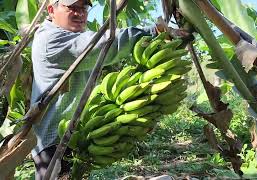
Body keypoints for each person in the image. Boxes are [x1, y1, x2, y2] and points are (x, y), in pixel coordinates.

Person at [31, 0, 192, 178]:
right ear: (51, 10)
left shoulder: (64, 35)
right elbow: (103, 45)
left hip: (71, 136)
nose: (80, 14)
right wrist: (153, 32)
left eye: (84, 8)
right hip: (54, 143)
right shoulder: (51, 41)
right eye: (72, 8)